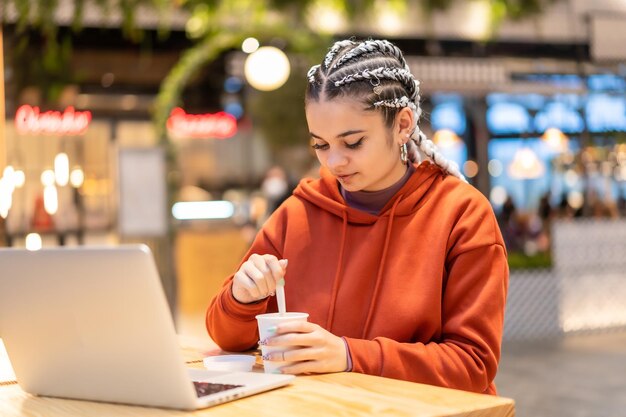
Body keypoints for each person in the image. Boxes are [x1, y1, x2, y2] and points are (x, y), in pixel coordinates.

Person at [206, 39, 509, 395]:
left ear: (402, 125)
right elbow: (226, 337)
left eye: (352, 143)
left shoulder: (461, 215)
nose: (334, 162)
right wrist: (242, 299)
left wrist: (350, 355)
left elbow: (473, 365)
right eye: (321, 145)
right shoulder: (298, 213)